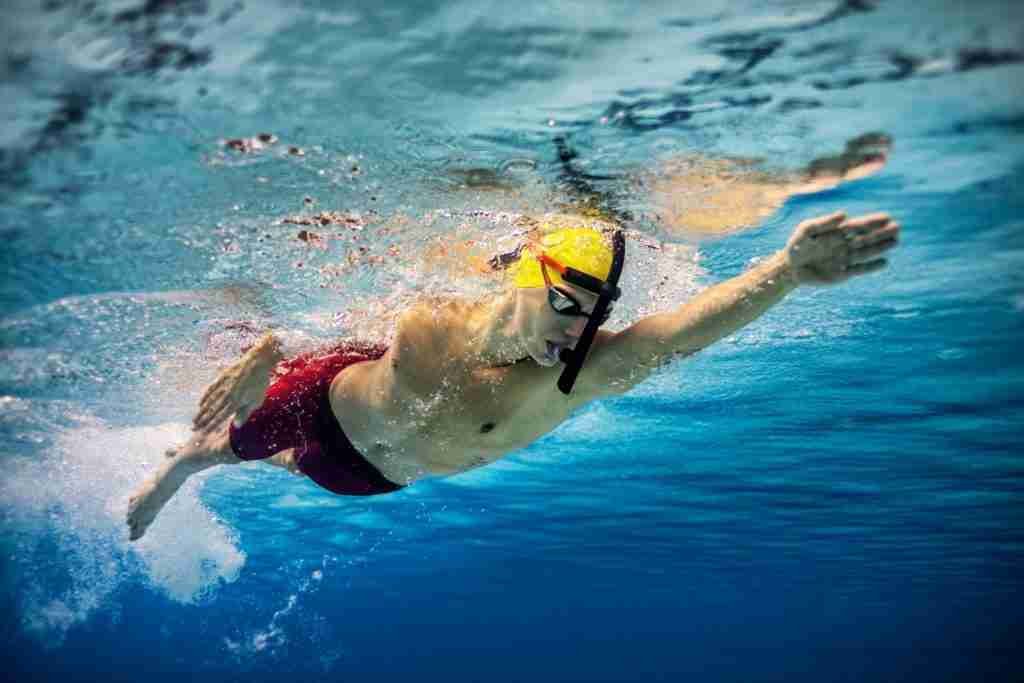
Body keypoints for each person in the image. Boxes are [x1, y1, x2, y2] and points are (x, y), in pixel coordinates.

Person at [127, 203, 899, 540]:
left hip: (372, 479)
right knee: (218, 453)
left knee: (283, 470)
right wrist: (264, 353)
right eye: (568, 301)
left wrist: (786, 271)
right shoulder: (431, 313)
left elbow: (684, 331)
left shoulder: (577, 374)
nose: (580, 326)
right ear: (526, 274)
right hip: (326, 406)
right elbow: (323, 313)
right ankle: (172, 472)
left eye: (595, 310)